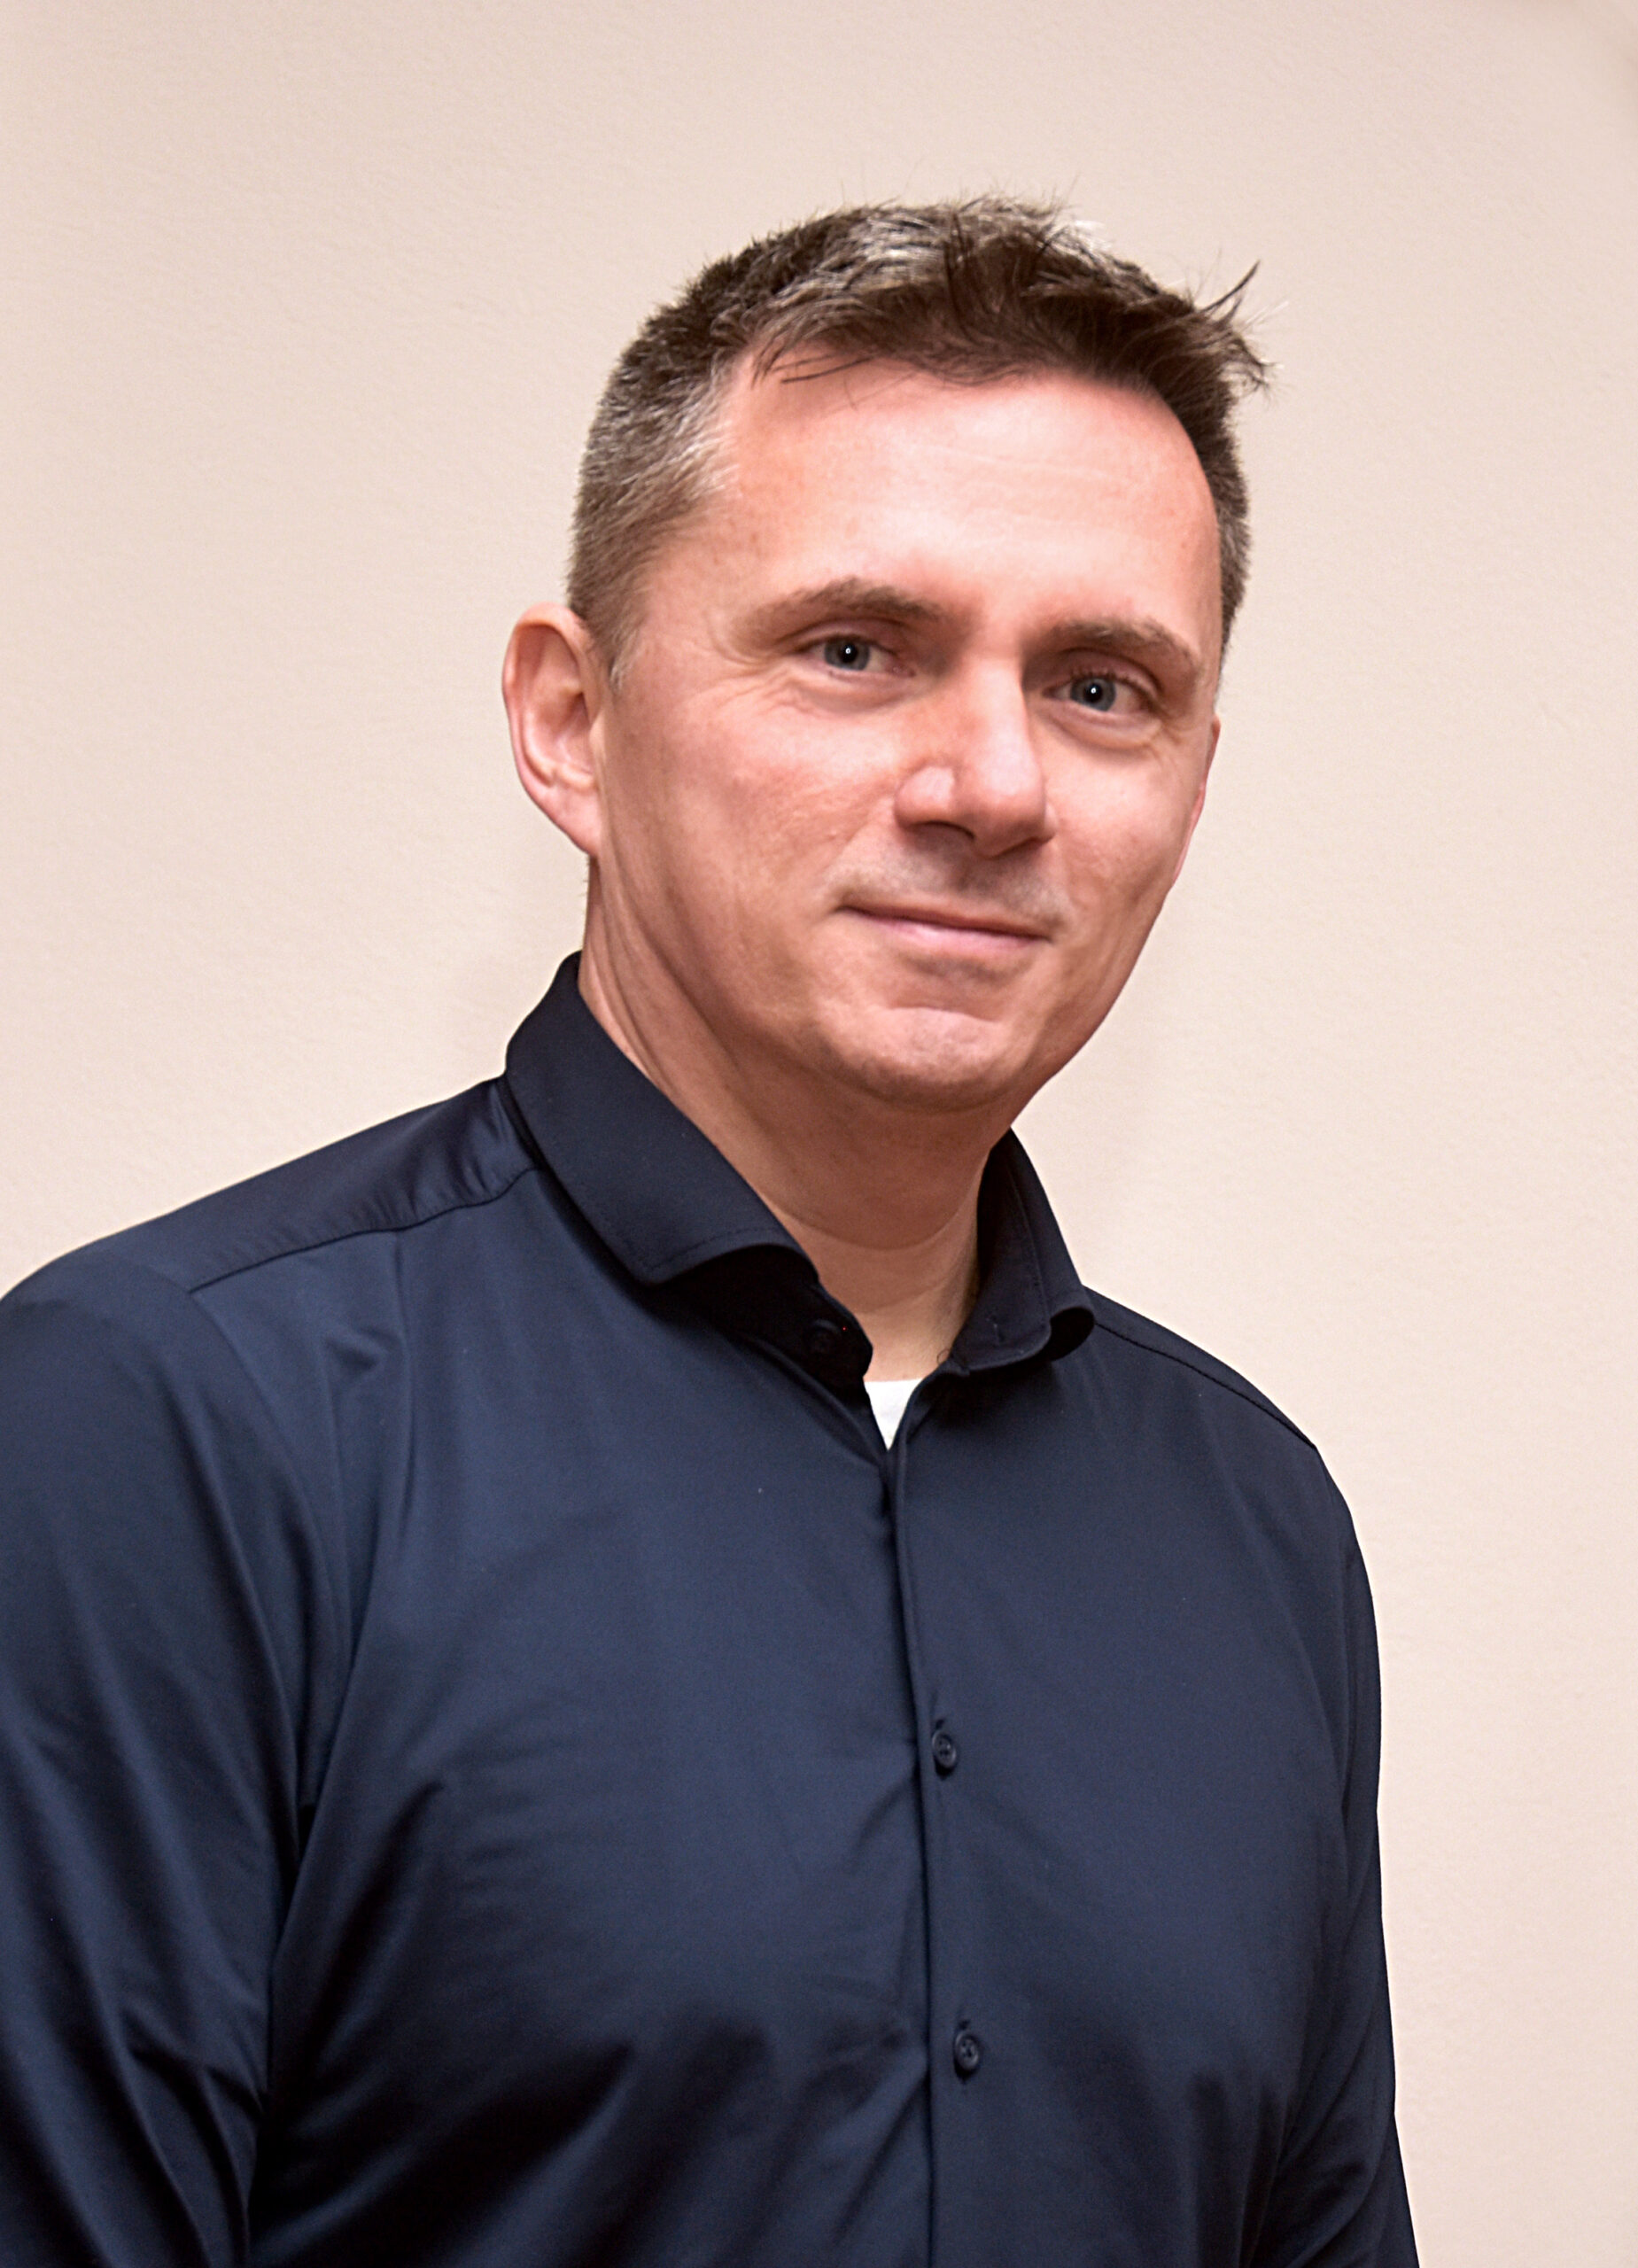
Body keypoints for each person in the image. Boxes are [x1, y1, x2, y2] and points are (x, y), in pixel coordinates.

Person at [0, 199, 1418, 2265]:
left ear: (1192, 781)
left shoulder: (1253, 1524)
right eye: (855, 648)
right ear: (570, 721)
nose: (992, 781)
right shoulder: (165, 1426)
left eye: (1103, 684)